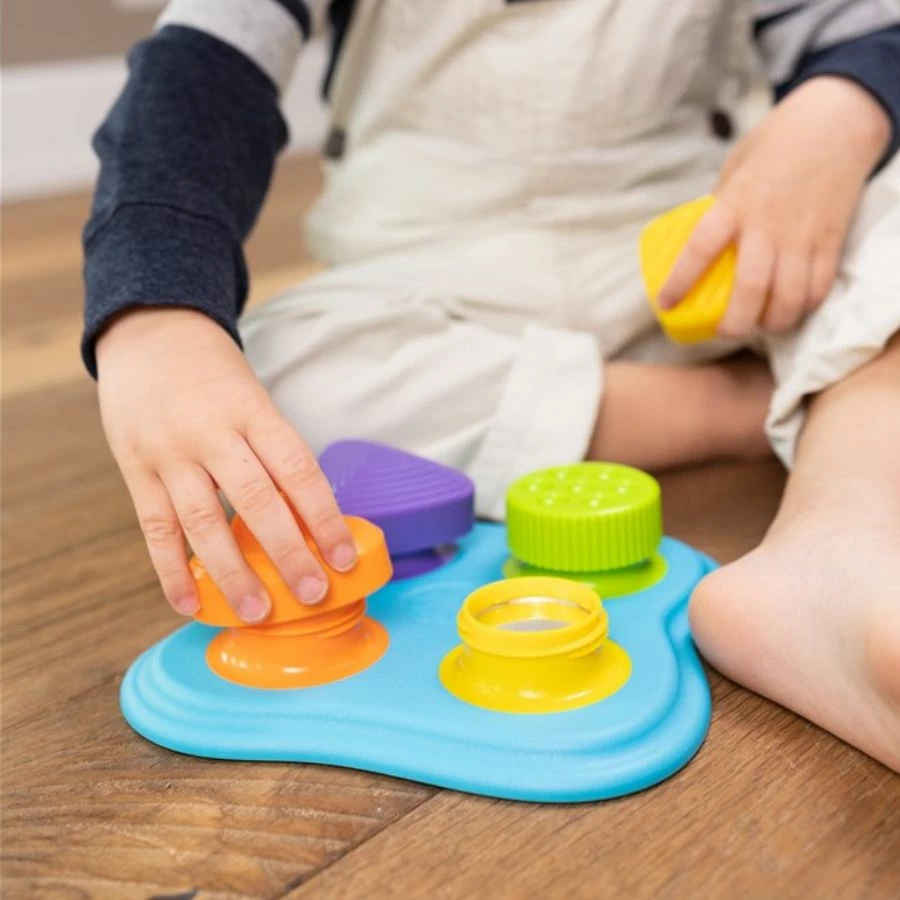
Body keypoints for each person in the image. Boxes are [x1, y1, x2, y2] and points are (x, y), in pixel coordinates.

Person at [84, 0, 900, 771]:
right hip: (432, 266)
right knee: (277, 376)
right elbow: (204, 70)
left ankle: (833, 547)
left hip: (694, 254)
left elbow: (861, 31)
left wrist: (837, 116)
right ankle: (747, 403)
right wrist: (159, 317)